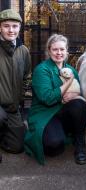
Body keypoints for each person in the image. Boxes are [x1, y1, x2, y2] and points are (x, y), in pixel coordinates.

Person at [24, 34, 86, 165]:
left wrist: (74, 94)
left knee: (79, 104)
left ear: (67, 51)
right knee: (54, 148)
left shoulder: (71, 70)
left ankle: (80, 144)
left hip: (63, 111)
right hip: (45, 113)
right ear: (49, 51)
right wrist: (68, 83)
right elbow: (47, 98)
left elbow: (79, 90)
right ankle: (54, 133)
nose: (59, 53)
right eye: (55, 49)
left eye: (62, 49)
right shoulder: (41, 70)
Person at [0, 9, 31, 154]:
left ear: (19, 28)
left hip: (13, 108)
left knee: (17, 147)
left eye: (14, 26)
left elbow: (27, 76)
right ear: (0, 27)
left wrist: (22, 97)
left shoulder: (23, 50)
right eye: (6, 26)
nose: (11, 30)